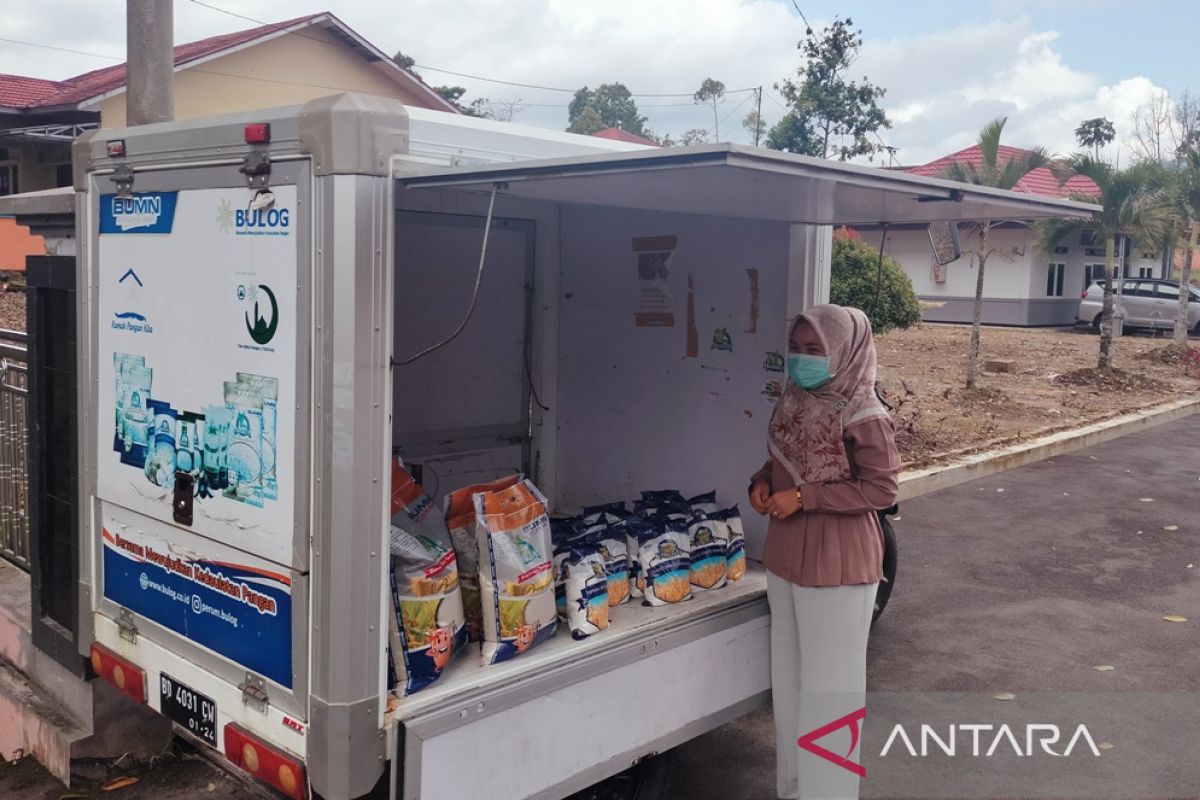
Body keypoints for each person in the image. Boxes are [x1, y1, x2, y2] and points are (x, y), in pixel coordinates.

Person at [749, 304, 900, 800]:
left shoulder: (864, 412)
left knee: (830, 695)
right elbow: (784, 461)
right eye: (796, 348)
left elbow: (881, 490)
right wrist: (762, 482)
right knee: (790, 688)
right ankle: (793, 792)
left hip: (839, 561)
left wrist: (805, 498)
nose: (802, 359)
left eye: (815, 350)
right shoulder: (795, 398)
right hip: (787, 556)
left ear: (844, 351)